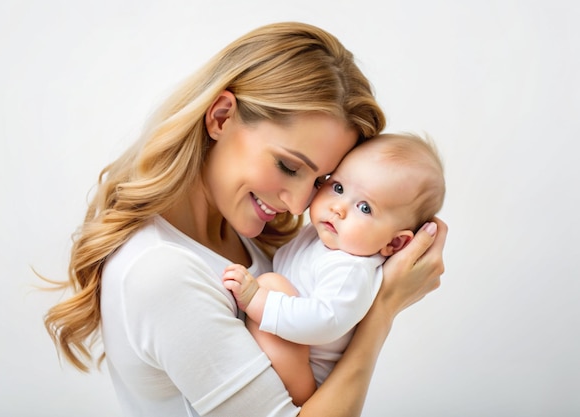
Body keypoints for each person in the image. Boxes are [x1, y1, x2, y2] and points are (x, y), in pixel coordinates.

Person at [42, 22, 448, 417]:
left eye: (322, 180)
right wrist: (382, 310)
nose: (298, 204)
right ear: (221, 117)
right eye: (289, 167)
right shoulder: (162, 273)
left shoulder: (245, 236)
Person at [222, 132, 446, 405]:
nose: (339, 208)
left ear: (395, 242)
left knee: (271, 284)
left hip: (306, 379)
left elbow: (325, 320)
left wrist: (258, 300)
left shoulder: (352, 269)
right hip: (292, 355)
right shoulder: (324, 237)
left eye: (364, 208)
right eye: (338, 187)